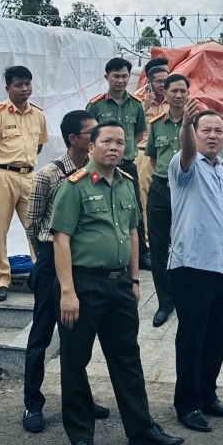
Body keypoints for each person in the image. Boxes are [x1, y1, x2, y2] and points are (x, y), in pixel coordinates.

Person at [51, 121, 183, 445]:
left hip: (120, 284)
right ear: (91, 146)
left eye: (119, 142)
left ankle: (141, 430)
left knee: (127, 358)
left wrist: (135, 279)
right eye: (106, 141)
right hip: (83, 286)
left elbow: (134, 232)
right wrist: (67, 292)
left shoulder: (125, 183)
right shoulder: (74, 186)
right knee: (75, 360)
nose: (114, 147)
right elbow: (61, 240)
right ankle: (82, 436)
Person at [22, 109, 111, 433]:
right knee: (42, 334)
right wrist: (45, 260)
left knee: (80, 337)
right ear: (74, 139)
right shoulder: (49, 174)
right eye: (92, 134)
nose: (97, 138)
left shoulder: (97, 171)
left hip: (83, 263)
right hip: (51, 258)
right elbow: (32, 222)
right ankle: (33, 402)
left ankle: (80, 399)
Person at [168, 107, 223, 434]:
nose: (212, 136)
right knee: (192, 339)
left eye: (218, 131)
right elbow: (185, 152)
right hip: (191, 268)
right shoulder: (185, 167)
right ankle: (187, 403)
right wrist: (184, 126)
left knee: (217, 337)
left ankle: (208, 394)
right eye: (205, 130)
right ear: (194, 134)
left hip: (222, 270)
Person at [0, 65, 48, 302]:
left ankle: (42, 276)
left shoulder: (38, 114)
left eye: (28, 84)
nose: (24, 89)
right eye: (18, 85)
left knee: (37, 228)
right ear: (8, 88)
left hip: (29, 175)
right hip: (1, 176)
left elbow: (39, 145)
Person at [87, 57, 152, 270]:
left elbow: (140, 132)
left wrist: (125, 149)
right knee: (101, 208)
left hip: (127, 165)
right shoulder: (96, 105)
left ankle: (140, 253)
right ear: (107, 77)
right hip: (101, 168)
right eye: (116, 76)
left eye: (124, 76)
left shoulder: (135, 104)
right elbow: (88, 134)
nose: (121, 80)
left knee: (134, 209)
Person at [146, 75, 200, 328]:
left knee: (188, 242)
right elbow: (154, 159)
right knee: (158, 246)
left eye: (183, 91)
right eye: (174, 91)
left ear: (188, 94)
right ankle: (164, 302)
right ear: (164, 94)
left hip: (187, 189)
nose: (178, 96)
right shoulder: (156, 123)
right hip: (160, 189)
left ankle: (187, 294)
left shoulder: (198, 122)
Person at [133, 58, 170, 271]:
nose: (163, 87)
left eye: (166, 81)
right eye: (159, 82)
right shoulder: (137, 101)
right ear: (149, 82)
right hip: (144, 153)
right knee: (145, 196)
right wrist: (143, 108)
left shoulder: (173, 99)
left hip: (168, 154)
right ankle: (146, 246)